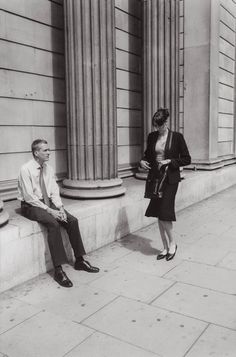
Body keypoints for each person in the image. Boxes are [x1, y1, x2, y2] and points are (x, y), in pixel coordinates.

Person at [18, 139, 99, 288]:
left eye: (49, 150)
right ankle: (58, 270)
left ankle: (80, 260)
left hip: (48, 201)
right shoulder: (25, 169)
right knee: (53, 224)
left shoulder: (48, 168)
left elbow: (54, 191)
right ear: (36, 153)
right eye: (45, 150)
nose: (49, 152)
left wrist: (60, 208)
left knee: (72, 220)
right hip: (31, 205)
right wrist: (50, 211)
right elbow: (29, 197)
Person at [140, 108, 191, 261]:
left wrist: (171, 161)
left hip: (170, 180)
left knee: (164, 212)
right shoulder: (152, 136)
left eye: (160, 126)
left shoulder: (177, 137)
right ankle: (164, 247)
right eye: (155, 126)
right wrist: (142, 162)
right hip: (155, 179)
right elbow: (147, 155)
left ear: (166, 122)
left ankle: (173, 244)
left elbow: (187, 159)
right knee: (158, 213)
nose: (157, 129)